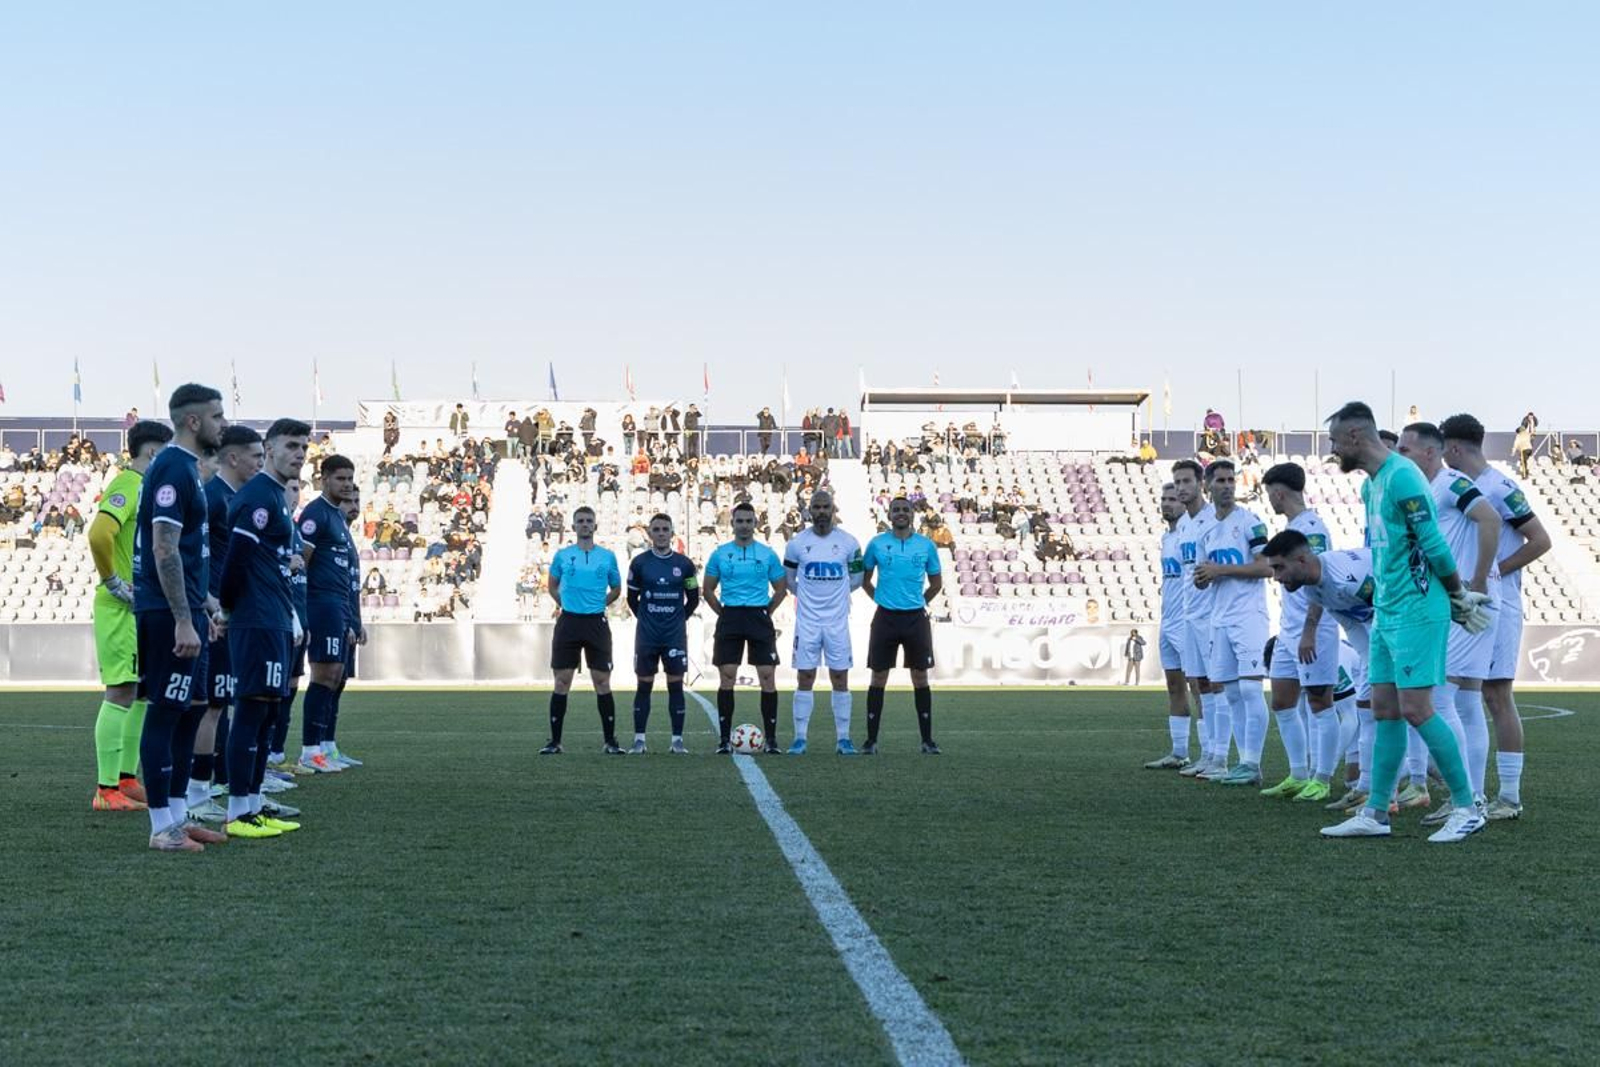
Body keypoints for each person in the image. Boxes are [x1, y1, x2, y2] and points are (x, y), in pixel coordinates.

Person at [1318, 401, 1490, 843]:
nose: (1333, 450)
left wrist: (1456, 592)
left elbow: (1431, 541)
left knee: (1417, 709)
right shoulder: (1371, 486)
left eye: (1335, 441)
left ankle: (1468, 807)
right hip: (1388, 612)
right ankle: (1376, 812)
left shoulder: (1404, 477)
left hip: (1417, 611)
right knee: (1385, 709)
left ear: (1355, 437)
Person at [1440, 413, 1552, 820]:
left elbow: (1541, 539)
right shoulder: (1459, 487)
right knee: (1463, 694)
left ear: (1452, 448)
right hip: (1469, 602)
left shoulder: (1500, 487)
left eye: (1442, 449)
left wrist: (1491, 572)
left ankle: (1509, 796)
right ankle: (1467, 794)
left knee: (1496, 695)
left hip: (1497, 603)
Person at [132, 383, 228, 853]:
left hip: (189, 608)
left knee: (190, 711)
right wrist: (181, 619)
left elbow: (189, 552)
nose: (223, 423)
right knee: (167, 712)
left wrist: (205, 607)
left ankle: (176, 816)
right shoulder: (172, 466)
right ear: (193, 421)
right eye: (216, 415)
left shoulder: (187, 469)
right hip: (166, 612)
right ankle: (160, 827)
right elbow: (164, 548)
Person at [1399, 422, 1504, 827]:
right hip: (1457, 602)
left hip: (1465, 602)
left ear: (1430, 452)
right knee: (1464, 701)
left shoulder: (1449, 483)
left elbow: (1490, 519)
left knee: (1441, 698)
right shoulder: (1427, 490)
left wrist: (1475, 580)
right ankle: (1472, 796)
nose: (1400, 456)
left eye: (1406, 450)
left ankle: (1469, 800)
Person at [219, 418, 310, 840]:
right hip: (255, 618)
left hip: (272, 615)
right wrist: (231, 608)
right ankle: (239, 812)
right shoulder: (257, 496)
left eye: (304, 447)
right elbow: (235, 560)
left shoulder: (275, 497)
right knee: (253, 711)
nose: (299, 454)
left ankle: (254, 805)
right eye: (291, 445)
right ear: (269, 449)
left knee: (269, 711)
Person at [87, 419, 173, 812]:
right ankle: (106, 789)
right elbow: (98, 534)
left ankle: (125, 777)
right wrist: (114, 581)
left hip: (136, 607)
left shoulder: (147, 489)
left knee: (140, 691)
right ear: (153, 453)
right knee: (122, 690)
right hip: (120, 606)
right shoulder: (128, 484)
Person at [186, 426, 266, 823]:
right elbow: (197, 556)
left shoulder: (236, 498)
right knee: (211, 705)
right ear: (232, 458)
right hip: (216, 616)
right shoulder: (212, 498)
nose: (261, 464)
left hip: (229, 615)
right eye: (256, 456)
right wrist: (206, 605)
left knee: (223, 704)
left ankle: (215, 784)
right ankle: (198, 791)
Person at [1257, 462, 1342, 802]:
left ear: (1278, 492)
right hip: (1288, 629)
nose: (1270, 501)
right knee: (1282, 701)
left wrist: (1310, 629)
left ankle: (1322, 779)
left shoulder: (1313, 528)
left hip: (1314, 629)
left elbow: (1323, 580)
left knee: (1321, 702)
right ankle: (1298, 773)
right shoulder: (1292, 528)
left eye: (1269, 494)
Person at [1192, 460, 1272, 787]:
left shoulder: (1251, 522)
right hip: (1219, 617)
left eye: (1230, 480)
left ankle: (1253, 763)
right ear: (1207, 486)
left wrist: (1220, 571)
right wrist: (1203, 578)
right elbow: (1202, 576)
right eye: (1220, 480)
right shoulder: (1205, 529)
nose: (1226, 485)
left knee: (1252, 688)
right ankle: (1242, 763)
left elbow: (1267, 567)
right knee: (1231, 693)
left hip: (1249, 616)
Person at [702, 502, 788, 754]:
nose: (744, 526)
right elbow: (707, 589)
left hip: (759, 615)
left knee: (767, 677)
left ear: (755, 524)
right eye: (740, 521)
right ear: (733, 524)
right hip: (731, 615)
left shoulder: (767, 553)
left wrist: (765, 612)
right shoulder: (719, 553)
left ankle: (771, 740)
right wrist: (724, 614)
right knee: (727, 676)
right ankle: (724, 740)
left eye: (749, 521)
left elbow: (781, 588)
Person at [859, 498, 943, 754]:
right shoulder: (877, 544)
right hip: (885, 618)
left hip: (915, 619)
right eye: (896, 510)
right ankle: (871, 741)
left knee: (920, 677)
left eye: (905, 509)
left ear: (912, 514)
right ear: (890, 513)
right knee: (879, 677)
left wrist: (919, 602)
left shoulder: (926, 545)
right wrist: (882, 601)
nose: (901, 514)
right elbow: (865, 580)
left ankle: (927, 741)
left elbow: (936, 583)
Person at [782, 490, 863, 755]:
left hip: (837, 622)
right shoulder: (796, 544)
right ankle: (800, 738)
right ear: (809, 510)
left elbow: (857, 578)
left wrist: (836, 597)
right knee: (805, 676)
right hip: (807, 622)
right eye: (816, 507)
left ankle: (843, 739)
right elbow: (790, 580)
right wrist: (809, 599)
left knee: (840, 677)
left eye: (825, 506)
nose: (821, 511)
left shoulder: (849, 543)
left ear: (833, 508)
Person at [541, 506, 624, 755]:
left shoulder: (607, 556)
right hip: (569, 622)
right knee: (562, 681)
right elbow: (552, 585)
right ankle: (555, 742)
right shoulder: (563, 556)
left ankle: (610, 741)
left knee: (602, 681)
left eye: (589, 521)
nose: (585, 524)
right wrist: (566, 603)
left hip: (596, 622)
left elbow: (617, 588)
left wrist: (599, 604)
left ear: (595, 526)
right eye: (580, 521)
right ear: (573, 526)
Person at [294, 453, 358, 774]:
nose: (346, 485)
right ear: (324, 480)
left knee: (335, 675)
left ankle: (324, 747)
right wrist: (300, 608)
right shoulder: (315, 514)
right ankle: (310, 750)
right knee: (323, 674)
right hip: (320, 603)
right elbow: (300, 562)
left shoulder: (337, 516)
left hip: (339, 604)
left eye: (349, 479)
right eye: (340, 479)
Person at [623, 515, 699, 754]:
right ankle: (639, 740)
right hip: (647, 636)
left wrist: (678, 618)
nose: (661, 533)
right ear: (650, 534)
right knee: (643, 685)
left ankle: (677, 741)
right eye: (656, 529)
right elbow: (632, 599)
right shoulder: (639, 563)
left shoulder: (685, 565)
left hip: (674, 636)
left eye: (665, 529)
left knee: (675, 685)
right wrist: (647, 618)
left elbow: (694, 599)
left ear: (672, 532)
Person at [1173, 461, 1226, 780]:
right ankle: (1208, 753)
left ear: (1200, 484)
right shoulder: (1183, 525)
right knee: (1198, 684)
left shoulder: (1213, 520)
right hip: (1189, 614)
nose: (1181, 487)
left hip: (1211, 613)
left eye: (1186, 481)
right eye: (1177, 481)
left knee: (1217, 684)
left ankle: (1221, 755)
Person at [1142, 484, 1195, 769]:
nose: (1166, 504)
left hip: (1188, 621)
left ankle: (1212, 754)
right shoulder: (1167, 537)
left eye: (1172, 499)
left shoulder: (1191, 532)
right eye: (1163, 499)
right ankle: (1179, 752)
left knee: (1199, 685)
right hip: (1168, 620)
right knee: (1174, 686)